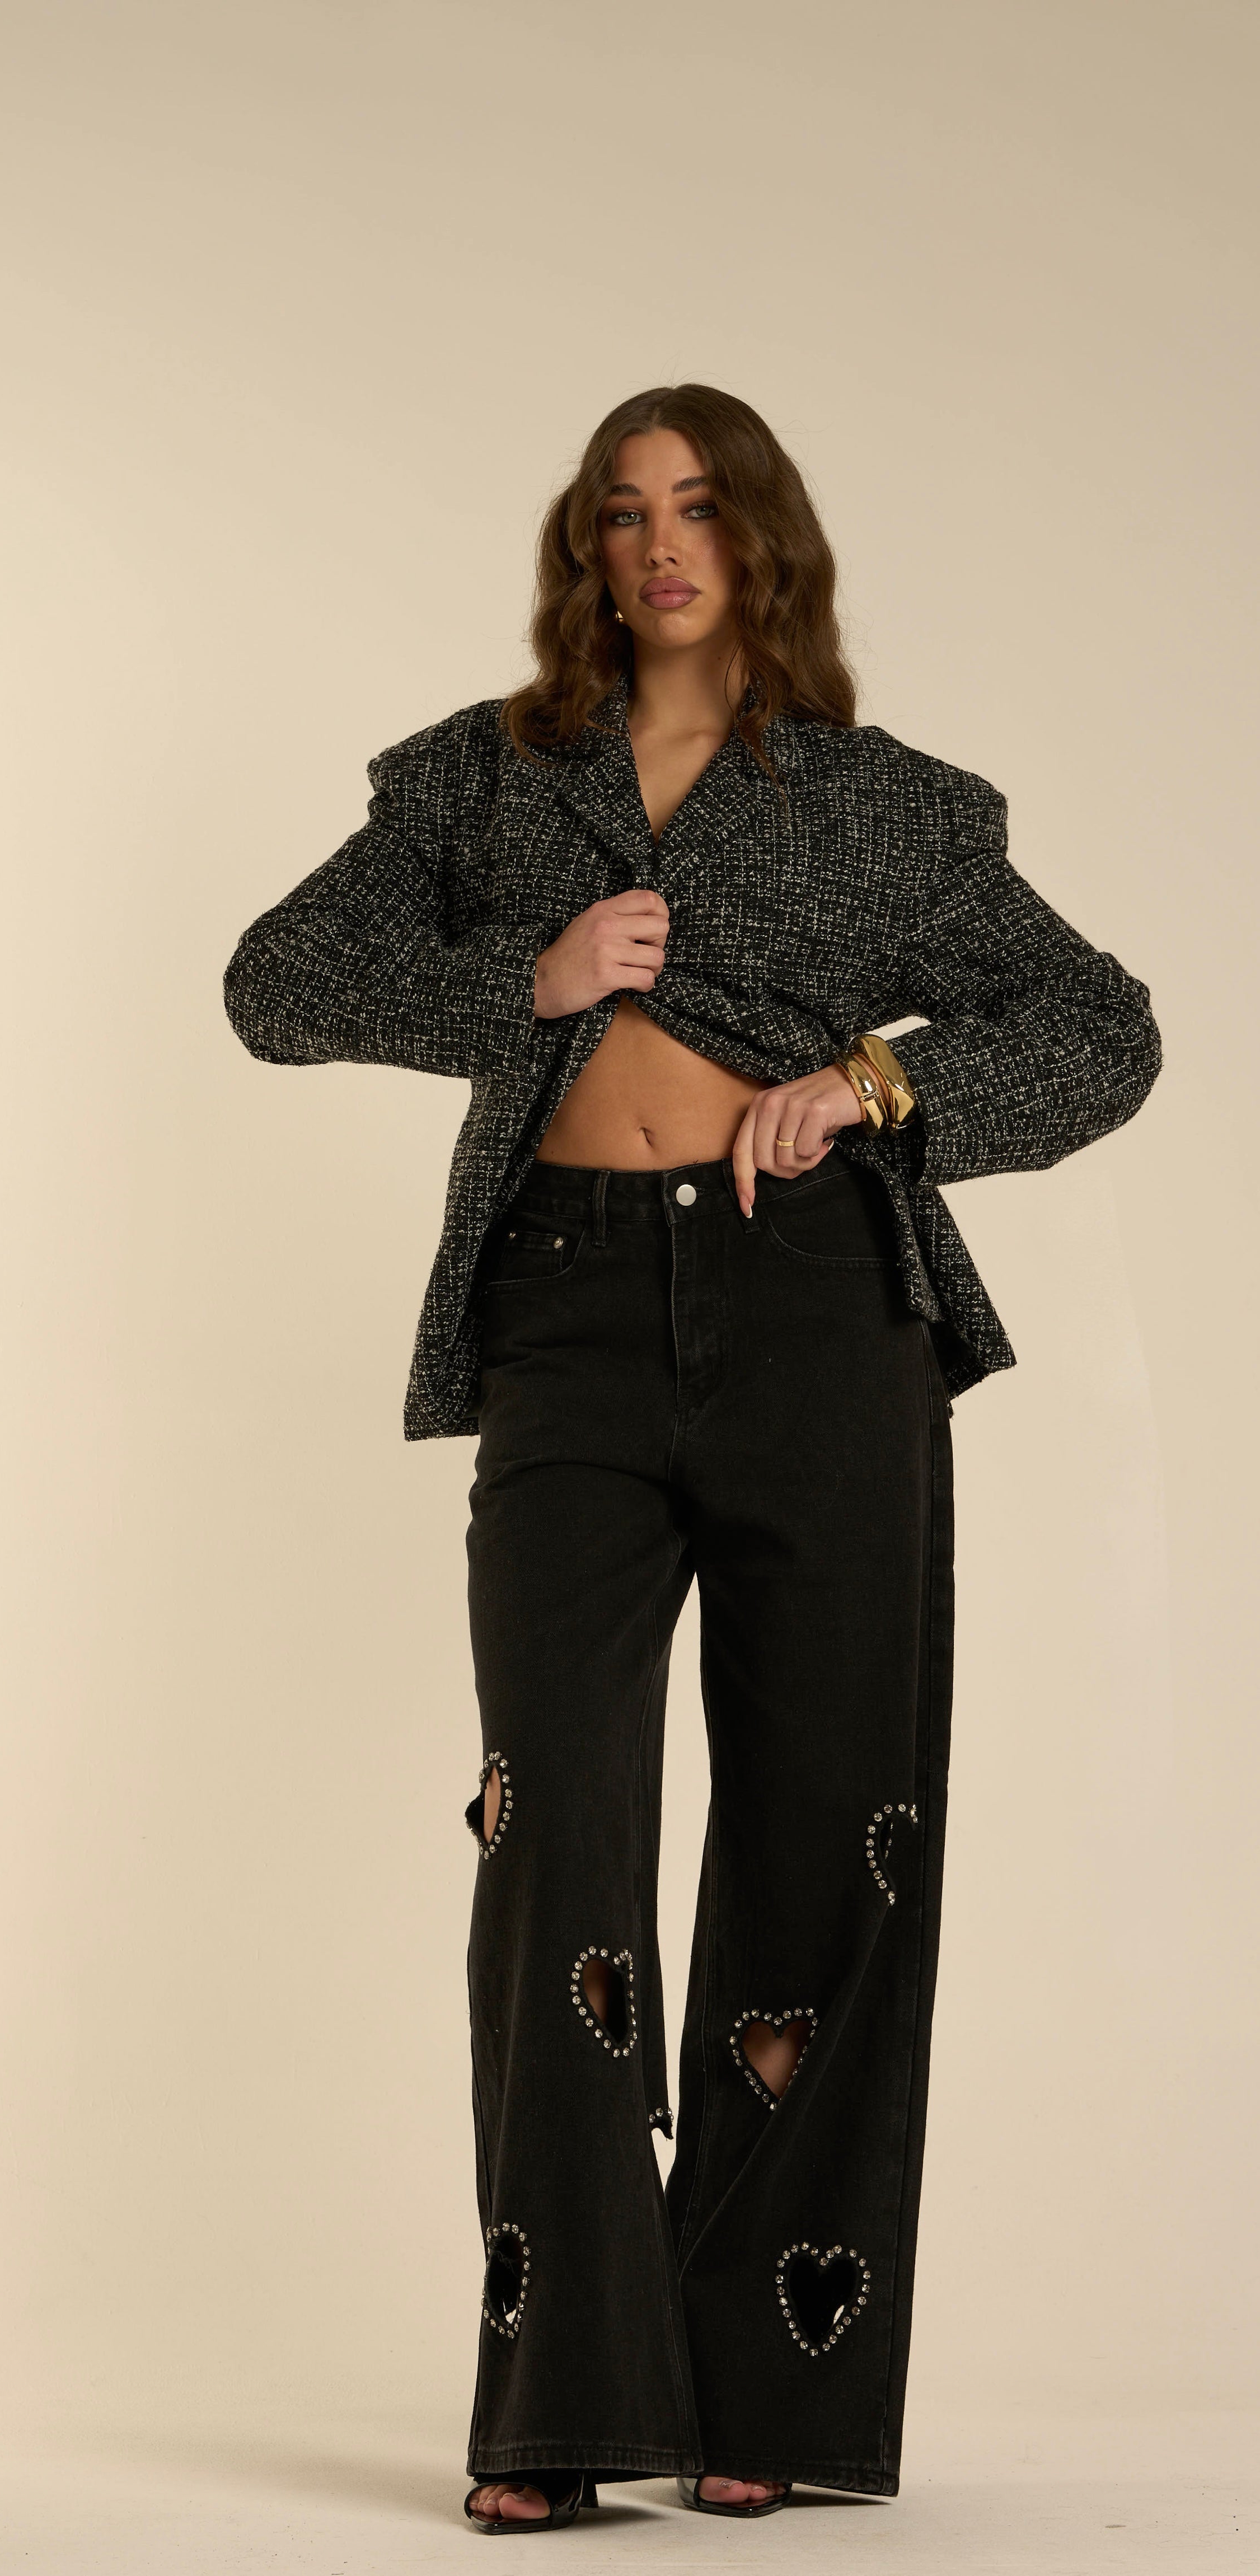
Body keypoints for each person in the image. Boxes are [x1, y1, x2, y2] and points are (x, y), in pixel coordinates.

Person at [222, 383, 1160, 2532]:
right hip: (562, 1312)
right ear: (590, 547)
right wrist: (525, 977)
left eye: (700, 509)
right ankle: (564, 2393)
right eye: (625, 512)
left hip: (820, 1307)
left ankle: (772, 2385)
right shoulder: (490, 774)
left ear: (764, 543)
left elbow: (1104, 1022)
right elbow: (277, 982)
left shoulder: (885, 808)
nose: (662, 545)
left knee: (831, 1823)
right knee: (554, 1821)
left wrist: (877, 1087)